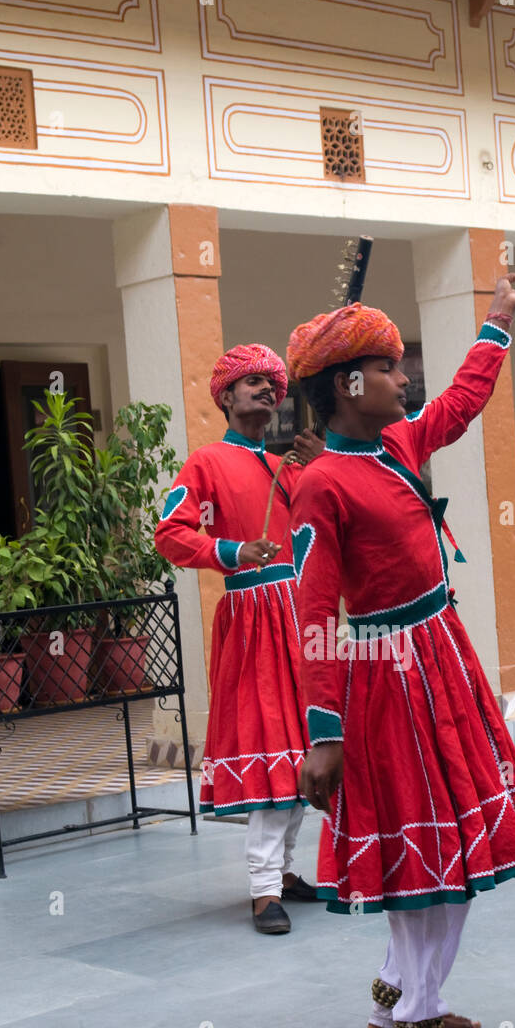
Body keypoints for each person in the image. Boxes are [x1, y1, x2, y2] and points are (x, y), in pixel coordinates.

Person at [288, 275, 515, 1028]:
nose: (408, 381)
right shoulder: (321, 484)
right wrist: (324, 732)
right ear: (347, 384)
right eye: (392, 367)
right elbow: (313, 612)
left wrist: (496, 324)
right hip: (385, 679)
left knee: (454, 846)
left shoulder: (398, 446)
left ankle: (400, 997)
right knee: (426, 857)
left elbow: (462, 405)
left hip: (442, 655)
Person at [154, 344, 320, 935]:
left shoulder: (291, 467)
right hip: (253, 619)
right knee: (274, 746)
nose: (266, 390)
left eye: (274, 383)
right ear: (225, 396)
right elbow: (170, 534)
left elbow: (342, 517)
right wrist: (231, 551)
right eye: (251, 382)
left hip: (305, 618)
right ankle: (262, 890)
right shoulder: (206, 463)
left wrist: (327, 463)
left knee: (311, 752)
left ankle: (285, 873)